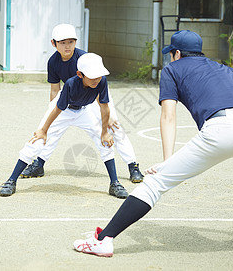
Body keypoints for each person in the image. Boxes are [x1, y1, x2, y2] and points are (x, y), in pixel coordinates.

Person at [73, 30, 233, 257]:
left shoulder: (172, 69)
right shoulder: (223, 68)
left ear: (176, 53)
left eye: (171, 53)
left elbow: (168, 116)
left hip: (219, 130)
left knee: (154, 184)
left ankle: (104, 239)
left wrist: (168, 163)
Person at [20, 24, 143, 184]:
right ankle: (39, 164)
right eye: (62, 42)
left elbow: (97, 86)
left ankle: (132, 165)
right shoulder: (53, 62)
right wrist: (53, 110)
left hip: (96, 95)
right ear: (53, 43)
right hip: (72, 96)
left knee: (114, 127)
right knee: (51, 129)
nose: (67, 46)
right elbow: (54, 89)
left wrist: (108, 114)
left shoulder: (84, 58)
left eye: (71, 42)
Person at [0, 53, 129, 198]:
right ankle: (11, 181)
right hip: (64, 110)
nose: (96, 79)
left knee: (104, 141)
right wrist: (43, 130)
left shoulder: (101, 81)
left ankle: (114, 183)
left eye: (99, 75)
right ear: (80, 74)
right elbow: (57, 109)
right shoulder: (71, 84)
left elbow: (104, 107)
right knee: (37, 140)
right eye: (92, 76)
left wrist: (104, 132)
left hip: (84, 111)